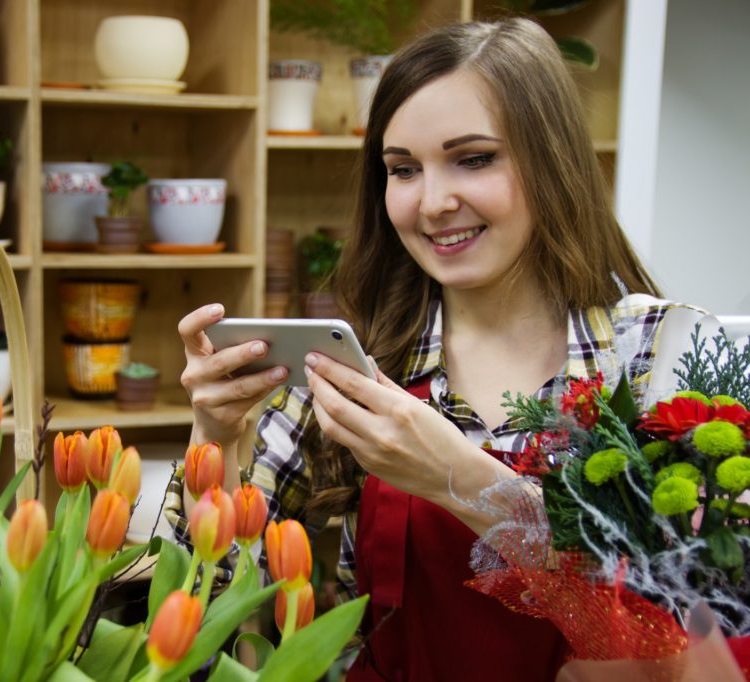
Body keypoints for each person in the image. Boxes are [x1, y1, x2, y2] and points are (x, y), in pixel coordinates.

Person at [166, 17, 705, 681]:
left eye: (474, 159)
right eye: (403, 170)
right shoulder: (358, 361)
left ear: (552, 159)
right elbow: (202, 604)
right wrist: (213, 435)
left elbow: (691, 626)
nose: (433, 202)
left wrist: (463, 479)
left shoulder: (658, 355)